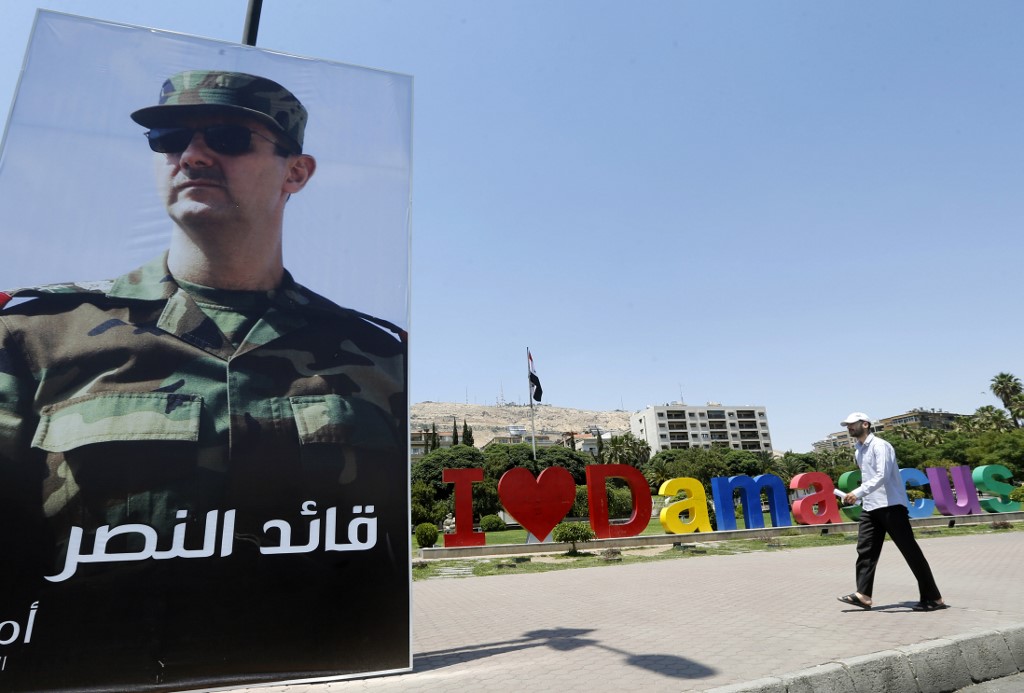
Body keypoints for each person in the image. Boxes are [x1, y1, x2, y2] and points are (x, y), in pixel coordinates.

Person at [0, 70, 409, 689]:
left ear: (296, 172)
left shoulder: (376, 356)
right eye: (168, 139)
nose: (192, 154)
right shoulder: (39, 337)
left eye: (228, 136)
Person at [836, 412, 946, 612]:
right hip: (870, 507)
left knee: (909, 551)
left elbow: (882, 475)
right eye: (847, 425)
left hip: (891, 506)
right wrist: (860, 496)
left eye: (852, 424)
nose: (849, 428)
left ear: (865, 424)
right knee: (865, 550)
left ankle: (934, 598)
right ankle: (863, 595)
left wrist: (857, 492)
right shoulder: (858, 450)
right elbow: (869, 477)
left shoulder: (880, 446)